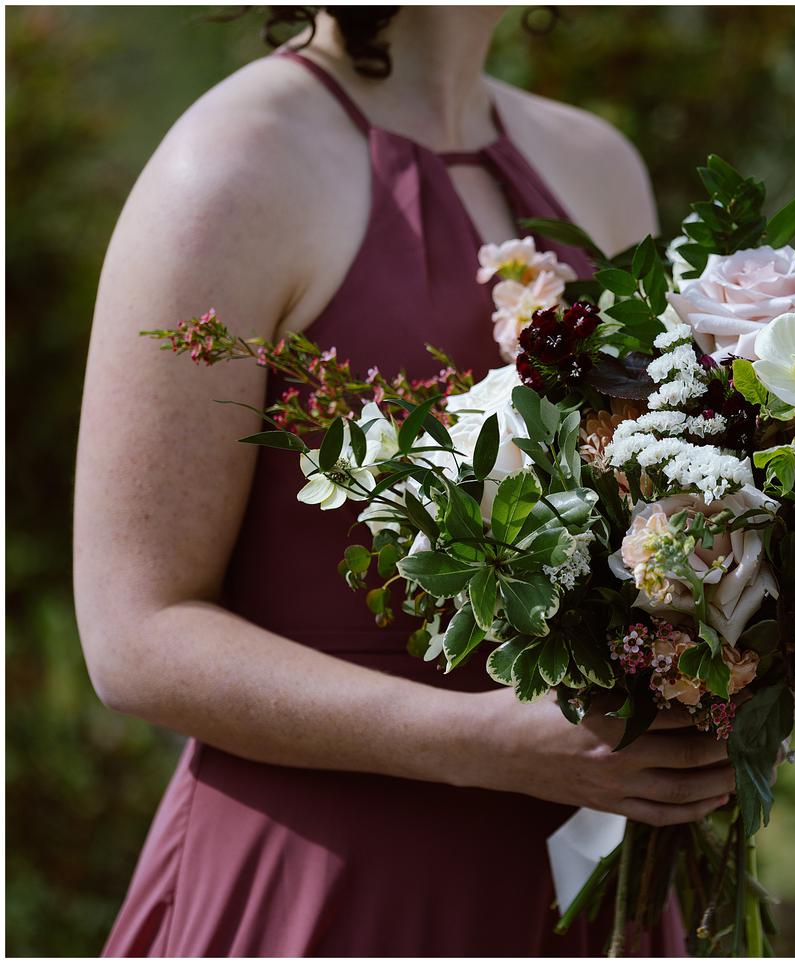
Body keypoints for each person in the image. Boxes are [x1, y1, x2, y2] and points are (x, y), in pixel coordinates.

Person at [74, 7, 728, 955]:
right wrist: (480, 742)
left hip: (589, 885)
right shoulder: (231, 165)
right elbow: (134, 634)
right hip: (331, 886)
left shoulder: (600, 165)